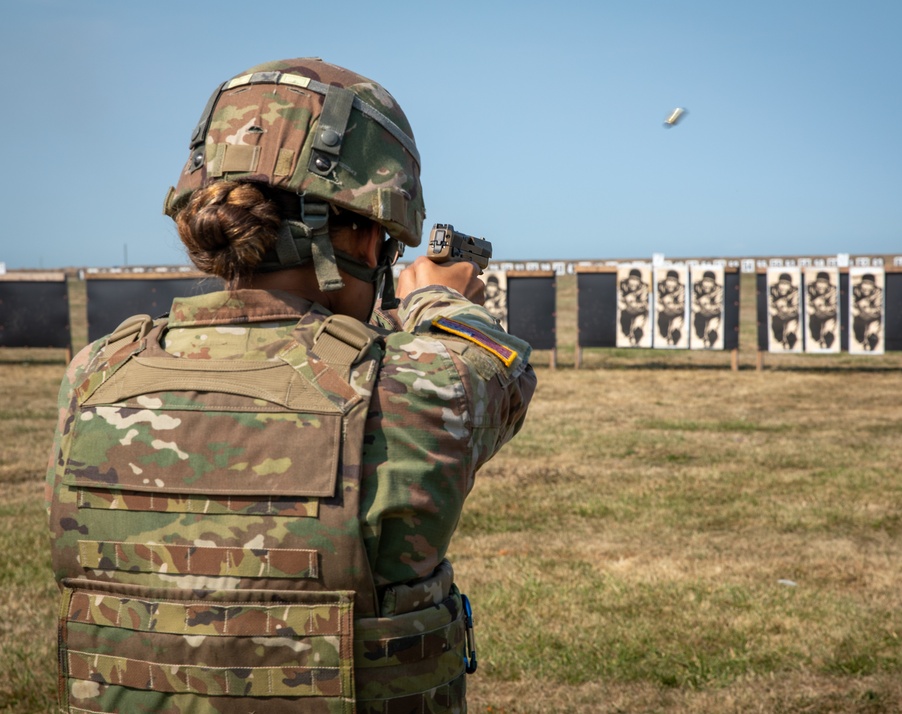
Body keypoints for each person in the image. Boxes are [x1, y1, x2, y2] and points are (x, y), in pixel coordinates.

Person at [45, 58, 536, 713]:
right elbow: (500, 370)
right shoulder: (423, 384)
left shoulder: (97, 372)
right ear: (364, 234)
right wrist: (438, 302)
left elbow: (300, 342)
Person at [806, 271, 838, 349]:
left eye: (824, 282)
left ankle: (827, 344)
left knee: (828, 330)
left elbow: (835, 307)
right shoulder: (810, 288)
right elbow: (807, 303)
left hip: (829, 315)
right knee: (815, 334)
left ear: (828, 283)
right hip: (815, 315)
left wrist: (825, 308)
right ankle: (817, 339)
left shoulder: (833, 290)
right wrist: (814, 306)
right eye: (819, 282)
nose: (821, 285)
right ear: (816, 282)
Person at [691, 270, 723, 348]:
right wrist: (699, 306)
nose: (707, 284)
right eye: (706, 281)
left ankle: (711, 341)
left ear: (714, 283)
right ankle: (702, 336)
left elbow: (720, 306)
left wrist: (709, 307)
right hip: (700, 314)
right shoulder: (696, 287)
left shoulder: (719, 290)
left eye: (710, 282)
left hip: (713, 314)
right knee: (699, 334)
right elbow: (692, 301)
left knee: (712, 330)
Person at [769, 272, 800, 350]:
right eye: (781, 284)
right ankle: (780, 339)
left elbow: (797, 307)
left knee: (791, 331)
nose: (783, 287)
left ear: (790, 285)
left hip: (791, 316)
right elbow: (769, 304)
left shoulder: (795, 292)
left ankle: (790, 343)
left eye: (786, 284)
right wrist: (776, 308)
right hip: (778, 316)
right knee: (777, 335)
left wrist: (787, 309)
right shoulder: (772, 290)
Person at [852, 272, 883, 351]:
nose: (867, 287)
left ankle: (871, 346)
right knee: (859, 337)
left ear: (873, 285)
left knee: (873, 334)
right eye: (865, 283)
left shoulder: (878, 292)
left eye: (870, 284)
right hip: (860, 317)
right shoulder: (855, 290)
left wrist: (869, 309)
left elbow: (880, 309)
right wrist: (859, 308)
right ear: (861, 284)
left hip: (873, 317)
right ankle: (861, 339)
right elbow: (851, 305)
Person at [618, 268, 650, 346]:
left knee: (638, 327)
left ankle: (637, 340)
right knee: (625, 329)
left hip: (639, 312)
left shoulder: (644, 288)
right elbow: (619, 299)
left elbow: (646, 303)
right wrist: (626, 303)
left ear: (639, 281)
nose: (633, 282)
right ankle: (628, 336)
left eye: (636, 280)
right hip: (627, 311)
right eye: (632, 279)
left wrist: (636, 304)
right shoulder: (622, 285)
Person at [656, 269, 686, 346]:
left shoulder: (681, 289)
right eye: (669, 280)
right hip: (664, 313)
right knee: (663, 332)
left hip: (677, 314)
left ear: (677, 282)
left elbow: (682, 305)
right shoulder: (660, 287)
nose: (671, 283)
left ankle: (674, 341)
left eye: (673, 281)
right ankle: (666, 336)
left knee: (675, 328)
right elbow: (656, 301)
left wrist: (673, 305)